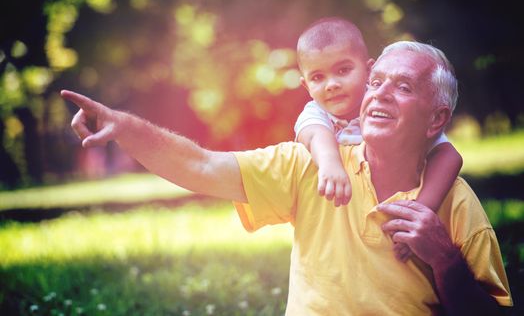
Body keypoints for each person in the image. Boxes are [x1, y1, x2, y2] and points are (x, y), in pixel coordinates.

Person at [62, 41, 512, 315]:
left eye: (404, 87)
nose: (379, 95)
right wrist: (125, 126)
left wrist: (445, 259)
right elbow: (199, 165)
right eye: (375, 82)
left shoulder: (457, 205)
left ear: (437, 120)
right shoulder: (308, 164)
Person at [294, 18, 463, 262]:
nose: (332, 85)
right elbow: (313, 133)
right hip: (341, 216)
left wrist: (420, 212)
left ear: (368, 70)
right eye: (318, 77)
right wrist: (330, 164)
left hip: (393, 210)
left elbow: (449, 156)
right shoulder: (316, 113)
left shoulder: (384, 106)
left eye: (343, 70)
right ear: (306, 85)